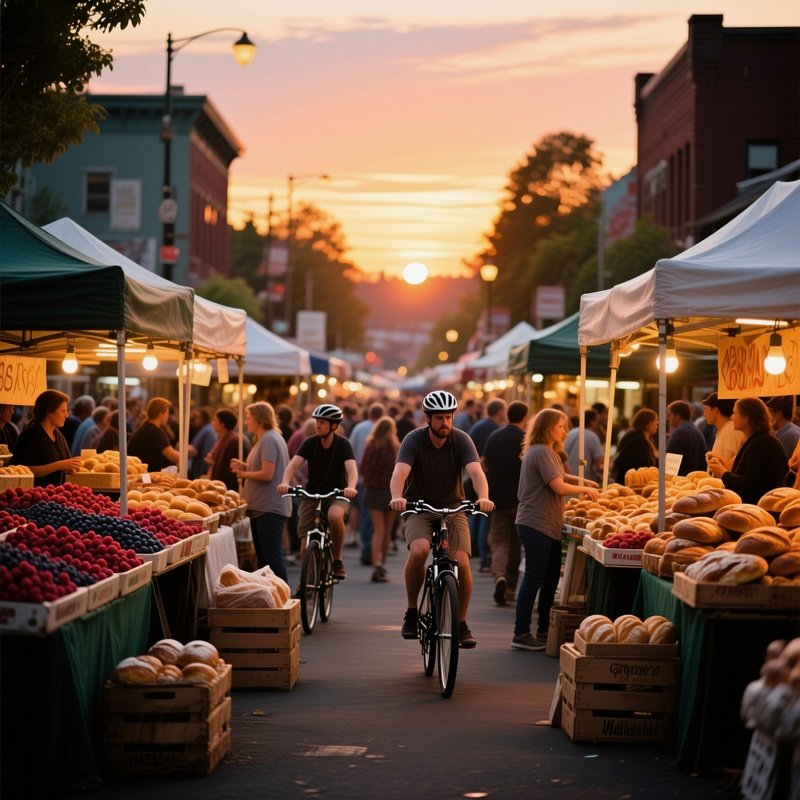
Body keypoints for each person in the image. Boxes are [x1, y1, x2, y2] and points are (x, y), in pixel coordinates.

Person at [389, 390, 494, 649]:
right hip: (419, 506)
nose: (444, 423)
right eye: (439, 418)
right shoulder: (413, 440)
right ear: (427, 418)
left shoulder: (462, 440)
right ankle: (412, 611)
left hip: (453, 507)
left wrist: (483, 496)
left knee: (462, 563)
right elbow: (400, 472)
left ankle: (460, 622)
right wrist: (396, 496)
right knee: (420, 550)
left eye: (448, 417)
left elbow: (476, 471)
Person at [512, 408, 599, 651]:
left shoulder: (547, 451)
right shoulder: (541, 451)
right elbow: (558, 486)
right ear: (548, 428)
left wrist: (584, 482)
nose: (564, 431)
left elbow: (560, 477)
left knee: (550, 579)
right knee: (533, 578)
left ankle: (542, 630)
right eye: (561, 426)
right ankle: (520, 632)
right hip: (535, 522)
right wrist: (584, 490)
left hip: (547, 524)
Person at [277, 404, 358, 581]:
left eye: (322, 422)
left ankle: (337, 560)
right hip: (312, 494)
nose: (317, 425)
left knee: (335, 516)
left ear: (333, 425)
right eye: (317, 422)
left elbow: (352, 470)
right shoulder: (310, 443)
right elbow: (293, 464)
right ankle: (306, 583)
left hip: (337, 494)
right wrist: (285, 481)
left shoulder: (343, 444)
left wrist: (351, 486)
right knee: (304, 543)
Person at [231, 402, 291, 582]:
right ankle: (273, 598)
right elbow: (265, 467)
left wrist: (243, 473)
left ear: (259, 419)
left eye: (249, 418)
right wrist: (247, 466)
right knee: (265, 559)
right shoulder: (266, 438)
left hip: (269, 508)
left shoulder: (269, 439)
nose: (247, 421)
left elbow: (267, 474)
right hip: (263, 507)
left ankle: (284, 598)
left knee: (271, 557)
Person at [482, 400, 528, 606]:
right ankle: (510, 587)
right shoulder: (526, 439)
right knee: (516, 544)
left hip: (496, 498)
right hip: (520, 499)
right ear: (525, 418)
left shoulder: (495, 435)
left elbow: (483, 463)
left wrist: (491, 478)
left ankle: (499, 575)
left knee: (499, 541)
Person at [706, 397, 788, 505]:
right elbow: (746, 475)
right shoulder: (756, 440)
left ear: (746, 418)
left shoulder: (761, 443)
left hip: (761, 510)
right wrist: (722, 465)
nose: (731, 417)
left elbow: (747, 487)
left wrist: (723, 473)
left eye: (734, 413)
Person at [11, 390, 82, 486]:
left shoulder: (58, 435)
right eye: (63, 411)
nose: (67, 415)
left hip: (56, 496)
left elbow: (65, 463)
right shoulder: (30, 435)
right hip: (35, 497)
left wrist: (71, 466)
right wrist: (59, 465)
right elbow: (22, 470)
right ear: (48, 412)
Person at [360, 416, 400, 583]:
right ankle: (382, 564)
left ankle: (375, 563)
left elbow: (362, 468)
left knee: (378, 530)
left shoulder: (371, 446)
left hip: (373, 491)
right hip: (390, 492)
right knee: (388, 531)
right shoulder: (395, 448)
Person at [349, 402, 385, 564]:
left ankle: (367, 550)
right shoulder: (385, 429)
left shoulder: (359, 428)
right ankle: (375, 554)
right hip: (380, 482)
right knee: (378, 522)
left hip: (360, 478)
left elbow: (351, 450)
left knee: (364, 514)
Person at [127, 397, 180, 472]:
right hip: (147, 478)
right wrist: (184, 455)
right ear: (160, 414)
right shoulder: (156, 432)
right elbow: (174, 456)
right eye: (167, 413)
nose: (168, 416)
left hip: (138, 475)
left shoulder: (144, 427)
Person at [611, 408, 659, 484]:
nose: (657, 423)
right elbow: (621, 460)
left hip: (643, 482)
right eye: (655, 420)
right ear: (648, 424)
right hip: (631, 483)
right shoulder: (637, 439)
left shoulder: (649, 439)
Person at [206, 409, 249, 490]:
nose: (212, 423)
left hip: (227, 487)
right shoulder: (225, 438)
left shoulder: (232, 440)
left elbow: (225, 467)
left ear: (222, 424)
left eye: (215, 420)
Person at [701, 393, 745, 472]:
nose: (704, 414)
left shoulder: (731, 431)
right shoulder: (725, 429)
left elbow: (726, 468)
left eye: (706, 409)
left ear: (715, 410)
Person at [665, 400, 707, 475]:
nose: (668, 419)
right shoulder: (696, 430)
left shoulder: (679, 432)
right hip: (695, 479)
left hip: (680, 482)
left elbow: (670, 465)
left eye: (669, 415)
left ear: (677, 416)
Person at [565, 409, 605, 483]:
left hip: (567, 478)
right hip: (584, 480)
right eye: (597, 421)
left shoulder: (571, 432)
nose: (599, 423)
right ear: (591, 422)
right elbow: (599, 464)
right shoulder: (592, 436)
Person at [765, 396, 800, 461]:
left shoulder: (787, 435)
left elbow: (779, 463)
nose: (768, 417)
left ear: (778, 414)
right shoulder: (791, 430)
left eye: (770, 412)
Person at [187, 407, 217, 479]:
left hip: (202, 469)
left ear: (203, 418)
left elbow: (193, 451)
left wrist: (181, 446)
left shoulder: (206, 430)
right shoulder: (208, 429)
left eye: (197, 417)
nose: (195, 420)